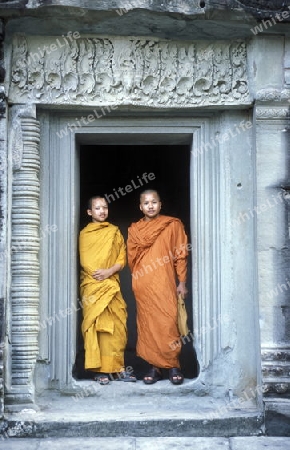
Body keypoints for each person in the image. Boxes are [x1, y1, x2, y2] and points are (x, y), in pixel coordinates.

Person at [127, 189, 188, 385]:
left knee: (168, 323)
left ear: (160, 204)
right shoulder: (134, 230)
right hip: (143, 285)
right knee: (148, 326)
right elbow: (131, 259)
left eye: (154, 202)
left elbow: (180, 254)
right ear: (140, 207)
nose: (150, 206)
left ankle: (173, 365)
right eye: (146, 203)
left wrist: (182, 282)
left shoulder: (172, 224)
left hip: (165, 284)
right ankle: (155, 368)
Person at [79, 195, 136, 384]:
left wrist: (109, 271)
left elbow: (122, 258)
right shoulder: (85, 234)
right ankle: (100, 371)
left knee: (117, 327)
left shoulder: (114, 232)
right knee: (97, 328)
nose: (102, 211)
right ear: (89, 212)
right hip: (93, 286)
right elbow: (86, 261)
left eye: (104, 207)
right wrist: (100, 274)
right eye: (97, 208)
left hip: (111, 285)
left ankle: (118, 369)